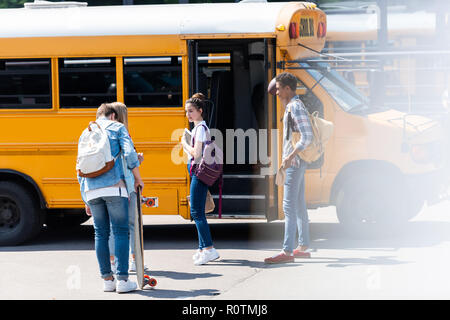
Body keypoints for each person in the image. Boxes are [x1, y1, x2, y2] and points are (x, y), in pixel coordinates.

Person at [78, 102, 144, 292]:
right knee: (121, 231)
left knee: (100, 234)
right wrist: (138, 179)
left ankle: (107, 280)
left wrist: (85, 198)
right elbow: (130, 154)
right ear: (113, 115)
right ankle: (123, 281)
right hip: (115, 187)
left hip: (91, 189)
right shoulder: (118, 127)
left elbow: (79, 168)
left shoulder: (87, 131)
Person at [264, 72, 313, 264]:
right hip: (296, 162)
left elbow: (306, 136)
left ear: (287, 89)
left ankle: (287, 251)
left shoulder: (295, 107)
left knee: (289, 206)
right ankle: (302, 246)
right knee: (299, 204)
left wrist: (290, 157)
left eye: (278, 89)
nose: (276, 92)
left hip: (293, 163)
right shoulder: (293, 106)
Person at [103, 102, 147, 274]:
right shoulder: (122, 132)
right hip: (127, 184)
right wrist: (138, 161)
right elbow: (129, 158)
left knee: (113, 226)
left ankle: (112, 262)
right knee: (133, 224)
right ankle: (135, 261)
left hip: (109, 184)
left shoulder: (105, 134)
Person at [181, 93, 220, 265]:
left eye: (191, 111)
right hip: (198, 172)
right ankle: (201, 247)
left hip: (199, 173)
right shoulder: (199, 128)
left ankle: (209, 249)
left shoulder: (200, 129)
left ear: (200, 111)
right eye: (186, 112)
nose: (188, 115)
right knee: (197, 211)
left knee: (197, 212)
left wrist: (184, 144)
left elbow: (196, 154)